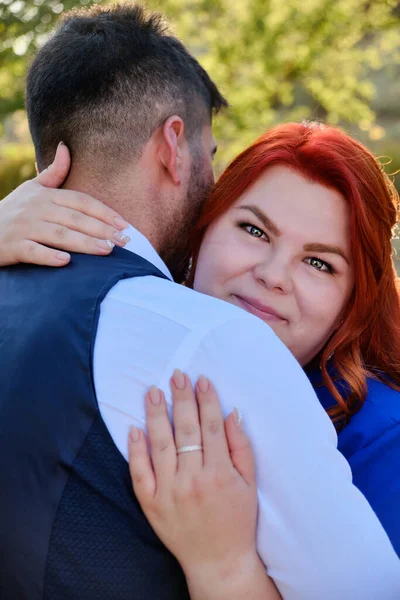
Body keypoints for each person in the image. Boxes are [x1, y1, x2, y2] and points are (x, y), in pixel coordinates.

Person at [0, 5, 399, 600]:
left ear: (355, 299)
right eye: (254, 230)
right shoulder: (188, 341)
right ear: (174, 149)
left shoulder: (383, 438)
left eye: (320, 262)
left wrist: (226, 570)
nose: (273, 276)